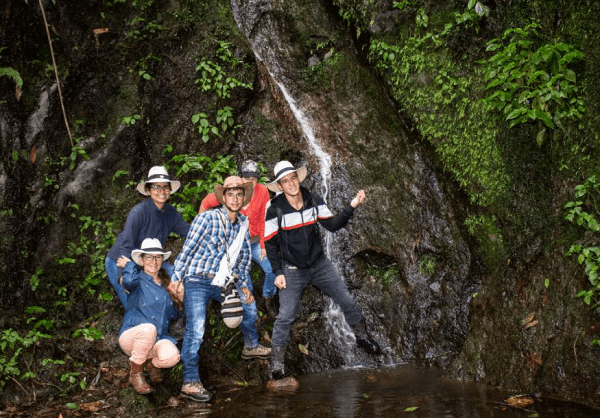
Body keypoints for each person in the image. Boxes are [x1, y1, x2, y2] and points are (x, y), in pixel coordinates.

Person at [264, 161, 381, 380]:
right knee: (285, 316)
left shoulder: (313, 199)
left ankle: (362, 337)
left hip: (319, 265)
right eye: (285, 181)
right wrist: (277, 272)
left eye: (293, 178)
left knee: (346, 300)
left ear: (298, 179)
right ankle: (277, 363)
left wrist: (352, 206)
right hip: (292, 269)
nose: (290, 184)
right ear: (280, 186)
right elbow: (270, 243)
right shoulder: (274, 210)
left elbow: (333, 225)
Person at [170, 176, 271, 402]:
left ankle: (251, 346)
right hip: (197, 279)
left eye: (239, 194)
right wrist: (176, 278)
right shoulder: (207, 218)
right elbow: (188, 249)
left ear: (243, 198)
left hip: (223, 281)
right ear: (223, 198)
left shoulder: (243, 225)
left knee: (249, 306)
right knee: (196, 329)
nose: (235, 198)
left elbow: (244, 258)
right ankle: (189, 382)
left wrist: (243, 285)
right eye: (230, 194)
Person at [199, 160, 277, 317]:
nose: (250, 181)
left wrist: (263, 245)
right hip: (237, 245)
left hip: (255, 242)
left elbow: (265, 219)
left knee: (271, 269)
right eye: (247, 178)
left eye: (254, 178)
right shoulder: (232, 191)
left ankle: (268, 297)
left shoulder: (262, 192)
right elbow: (206, 202)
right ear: (241, 178)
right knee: (244, 279)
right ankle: (251, 309)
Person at [106, 166, 190, 309]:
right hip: (120, 261)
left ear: (170, 190)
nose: (161, 191)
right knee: (135, 306)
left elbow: (190, 232)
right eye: (156, 187)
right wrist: (123, 276)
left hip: (150, 262)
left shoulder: (170, 213)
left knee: (178, 276)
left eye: (165, 187)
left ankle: (176, 320)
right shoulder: (139, 212)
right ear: (149, 190)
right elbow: (125, 246)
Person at [116, 238, 183, 395]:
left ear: (162, 260)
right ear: (142, 259)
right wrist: (129, 265)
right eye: (149, 257)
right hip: (132, 337)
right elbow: (128, 281)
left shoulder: (166, 286)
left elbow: (174, 316)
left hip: (155, 341)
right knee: (148, 328)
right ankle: (136, 373)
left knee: (172, 357)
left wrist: (179, 297)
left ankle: (152, 365)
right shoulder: (136, 279)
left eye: (158, 257)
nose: (154, 261)